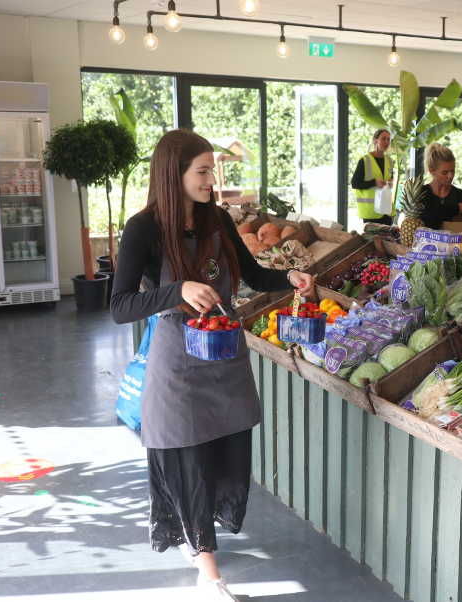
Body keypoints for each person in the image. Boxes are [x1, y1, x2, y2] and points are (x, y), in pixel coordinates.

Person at [110, 129, 314, 601]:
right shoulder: (143, 229)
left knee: (224, 451)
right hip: (177, 363)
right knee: (189, 459)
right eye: (202, 171)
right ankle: (209, 572)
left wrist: (290, 277)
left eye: (212, 170)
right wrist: (175, 290)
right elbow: (119, 305)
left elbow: (255, 274)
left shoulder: (218, 219)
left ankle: (194, 533)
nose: (212, 180)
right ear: (173, 174)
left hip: (224, 357)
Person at [351, 128, 395, 225]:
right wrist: (374, 183)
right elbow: (355, 183)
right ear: (375, 141)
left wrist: (389, 183)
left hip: (386, 211)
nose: (387, 142)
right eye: (383, 139)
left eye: (388, 139)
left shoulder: (390, 161)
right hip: (371, 212)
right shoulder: (364, 160)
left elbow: (389, 180)